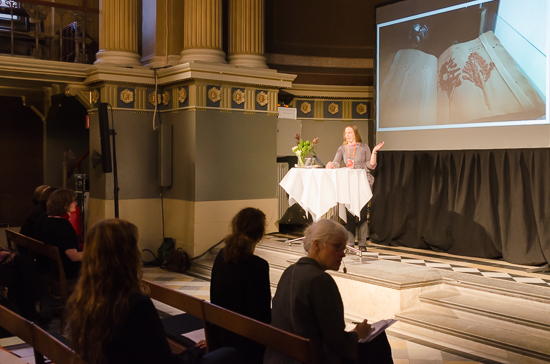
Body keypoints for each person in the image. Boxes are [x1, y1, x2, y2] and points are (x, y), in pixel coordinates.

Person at [67, 219, 240, 364]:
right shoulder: (134, 305)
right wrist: (197, 352)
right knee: (228, 353)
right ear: (128, 256)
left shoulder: (83, 297)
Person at [264, 219, 393, 364]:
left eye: (343, 248)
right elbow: (337, 343)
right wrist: (357, 334)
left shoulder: (289, 271)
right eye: (337, 247)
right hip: (311, 358)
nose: (343, 254)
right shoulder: (320, 281)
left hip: (281, 356)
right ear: (317, 245)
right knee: (378, 340)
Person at [210, 207, 271, 364]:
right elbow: (261, 314)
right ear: (260, 236)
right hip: (246, 345)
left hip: (219, 335)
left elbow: (215, 298)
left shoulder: (221, 256)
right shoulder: (258, 267)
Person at [326, 125, 384, 250]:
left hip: (362, 182)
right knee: (350, 214)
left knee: (362, 214)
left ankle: (362, 243)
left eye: (350, 132)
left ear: (355, 134)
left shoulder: (363, 147)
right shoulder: (342, 148)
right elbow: (336, 162)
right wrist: (331, 165)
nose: (347, 135)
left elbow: (371, 164)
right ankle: (351, 243)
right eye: (345, 132)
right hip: (349, 182)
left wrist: (374, 151)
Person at [35, 188, 82, 280]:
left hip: (51, 268)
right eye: (73, 201)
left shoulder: (47, 220)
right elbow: (73, 256)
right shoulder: (63, 225)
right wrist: (95, 253)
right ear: (64, 205)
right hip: (67, 272)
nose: (76, 203)